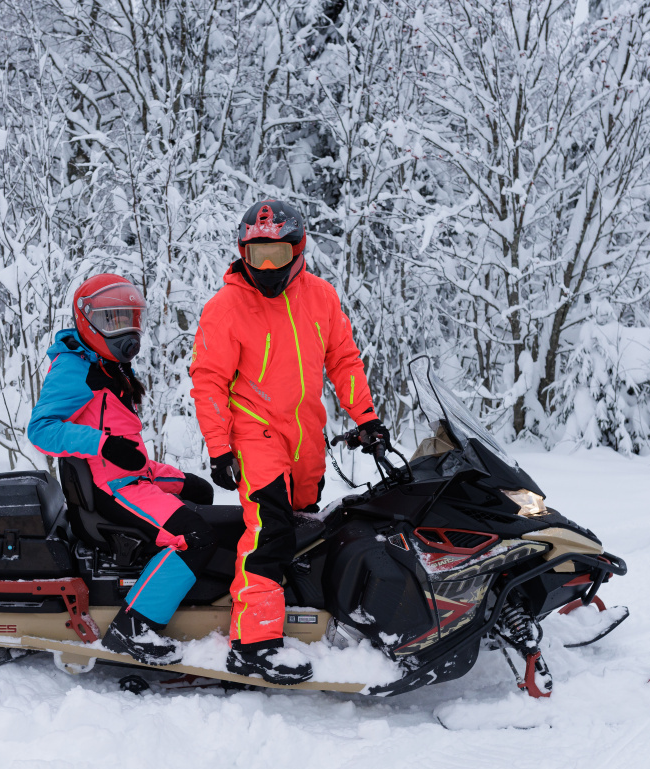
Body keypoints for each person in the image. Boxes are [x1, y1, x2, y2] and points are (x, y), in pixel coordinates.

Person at [190, 199, 390, 685]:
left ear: (297, 251)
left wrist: (365, 416)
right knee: (269, 532)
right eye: (256, 256)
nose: (266, 267)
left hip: (306, 437)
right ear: (243, 254)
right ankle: (253, 643)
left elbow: (343, 360)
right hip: (255, 433)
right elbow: (209, 381)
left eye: (276, 255)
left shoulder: (320, 297)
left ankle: (297, 615)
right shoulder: (227, 307)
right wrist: (218, 447)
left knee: (304, 528)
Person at [28, 274, 216, 666]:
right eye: (113, 320)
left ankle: (182, 594)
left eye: (131, 319)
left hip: (129, 479)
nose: (126, 330)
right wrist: (102, 444)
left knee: (200, 494)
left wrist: (176, 477)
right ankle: (133, 628)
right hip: (108, 491)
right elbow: (41, 429)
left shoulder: (108, 367)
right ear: (88, 321)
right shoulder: (75, 368)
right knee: (193, 534)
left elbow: (127, 452)